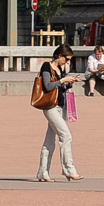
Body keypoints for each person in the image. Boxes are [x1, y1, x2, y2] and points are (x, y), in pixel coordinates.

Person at [35, 43, 81, 182]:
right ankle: (69, 169)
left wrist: (70, 82)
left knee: (50, 141)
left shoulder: (60, 68)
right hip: (50, 107)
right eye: (66, 59)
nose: (67, 62)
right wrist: (62, 80)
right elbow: (48, 86)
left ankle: (43, 172)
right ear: (59, 56)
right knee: (66, 135)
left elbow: (61, 87)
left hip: (59, 107)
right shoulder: (46, 66)